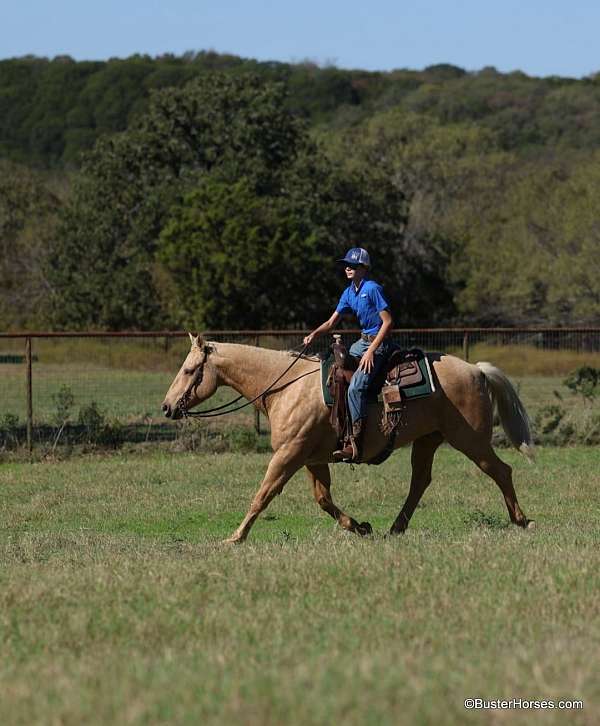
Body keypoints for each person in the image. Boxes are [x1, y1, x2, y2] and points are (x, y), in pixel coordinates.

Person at [303, 246, 394, 462]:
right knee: (336, 371)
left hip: (379, 344)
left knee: (355, 387)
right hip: (361, 342)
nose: (348, 268)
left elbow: (388, 322)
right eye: (346, 265)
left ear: (364, 268)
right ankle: (336, 427)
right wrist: (314, 334)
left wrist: (371, 351)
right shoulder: (348, 292)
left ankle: (356, 442)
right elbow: (332, 322)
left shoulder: (372, 289)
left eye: (353, 265)